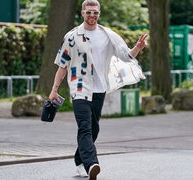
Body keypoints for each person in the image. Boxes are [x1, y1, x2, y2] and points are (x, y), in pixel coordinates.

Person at [48, 0, 148, 179]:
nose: (92, 16)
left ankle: (79, 160)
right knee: (85, 127)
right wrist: (54, 90)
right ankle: (91, 164)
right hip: (79, 88)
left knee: (94, 129)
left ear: (99, 14)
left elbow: (126, 56)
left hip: (99, 88)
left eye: (95, 13)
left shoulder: (108, 35)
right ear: (82, 13)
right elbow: (62, 66)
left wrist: (138, 48)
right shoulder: (71, 37)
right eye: (89, 12)